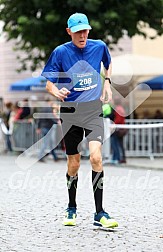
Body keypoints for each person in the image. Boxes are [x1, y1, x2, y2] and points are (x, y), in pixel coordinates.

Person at [42, 13, 118, 228]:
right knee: (73, 163)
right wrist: (57, 92)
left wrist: (107, 83)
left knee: (96, 158)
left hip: (93, 110)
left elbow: (108, 63)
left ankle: (100, 213)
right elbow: (49, 82)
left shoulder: (99, 46)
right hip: (69, 111)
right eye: (78, 32)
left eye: (85, 30)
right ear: (69, 32)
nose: (82, 35)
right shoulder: (61, 52)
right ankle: (72, 206)